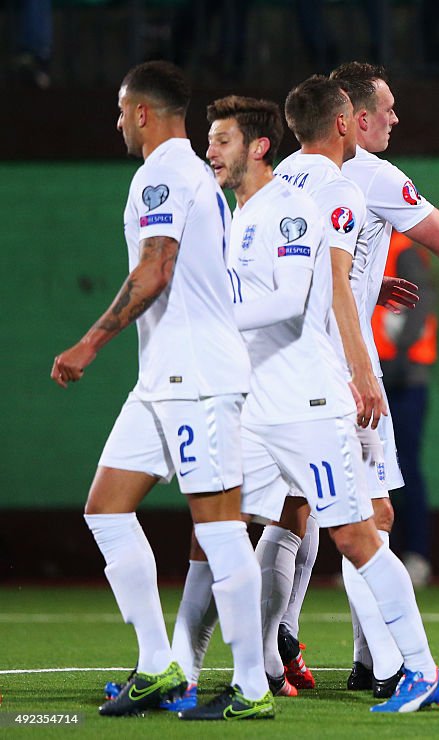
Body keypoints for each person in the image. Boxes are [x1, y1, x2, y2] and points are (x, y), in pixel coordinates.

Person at [205, 92, 439, 713]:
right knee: (228, 525)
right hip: (276, 397)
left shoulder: (294, 197)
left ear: (261, 146)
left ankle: (409, 670)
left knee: (353, 531)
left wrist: (213, 321)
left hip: (306, 398)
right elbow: (328, 285)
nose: (211, 150)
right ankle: (239, 671)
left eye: (221, 140)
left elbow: (306, 294)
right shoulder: (271, 203)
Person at [50, 61, 271, 719]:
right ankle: (158, 665)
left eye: (121, 111)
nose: (118, 122)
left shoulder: (166, 173)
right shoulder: (190, 174)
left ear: (141, 112)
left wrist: (90, 341)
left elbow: (156, 267)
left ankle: (253, 688)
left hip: (196, 381)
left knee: (220, 530)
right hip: (165, 378)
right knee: (106, 508)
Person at [300, 60, 439, 697]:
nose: (397, 120)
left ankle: (282, 655)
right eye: (388, 110)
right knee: (369, 518)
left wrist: (369, 283)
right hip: (343, 370)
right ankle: (388, 666)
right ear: (357, 117)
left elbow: (311, 264)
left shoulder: (292, 175)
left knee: (296, 518)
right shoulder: (369, 174)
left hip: (284, 370)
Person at [372, 231, 438, 586]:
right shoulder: (366, 243)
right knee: (376, 469)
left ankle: (416, 555)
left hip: (402, 377)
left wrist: (398, 358)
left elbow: (422, 300)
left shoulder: (400, 249)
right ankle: (380, 556)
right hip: (373, 374)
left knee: (404, 466)